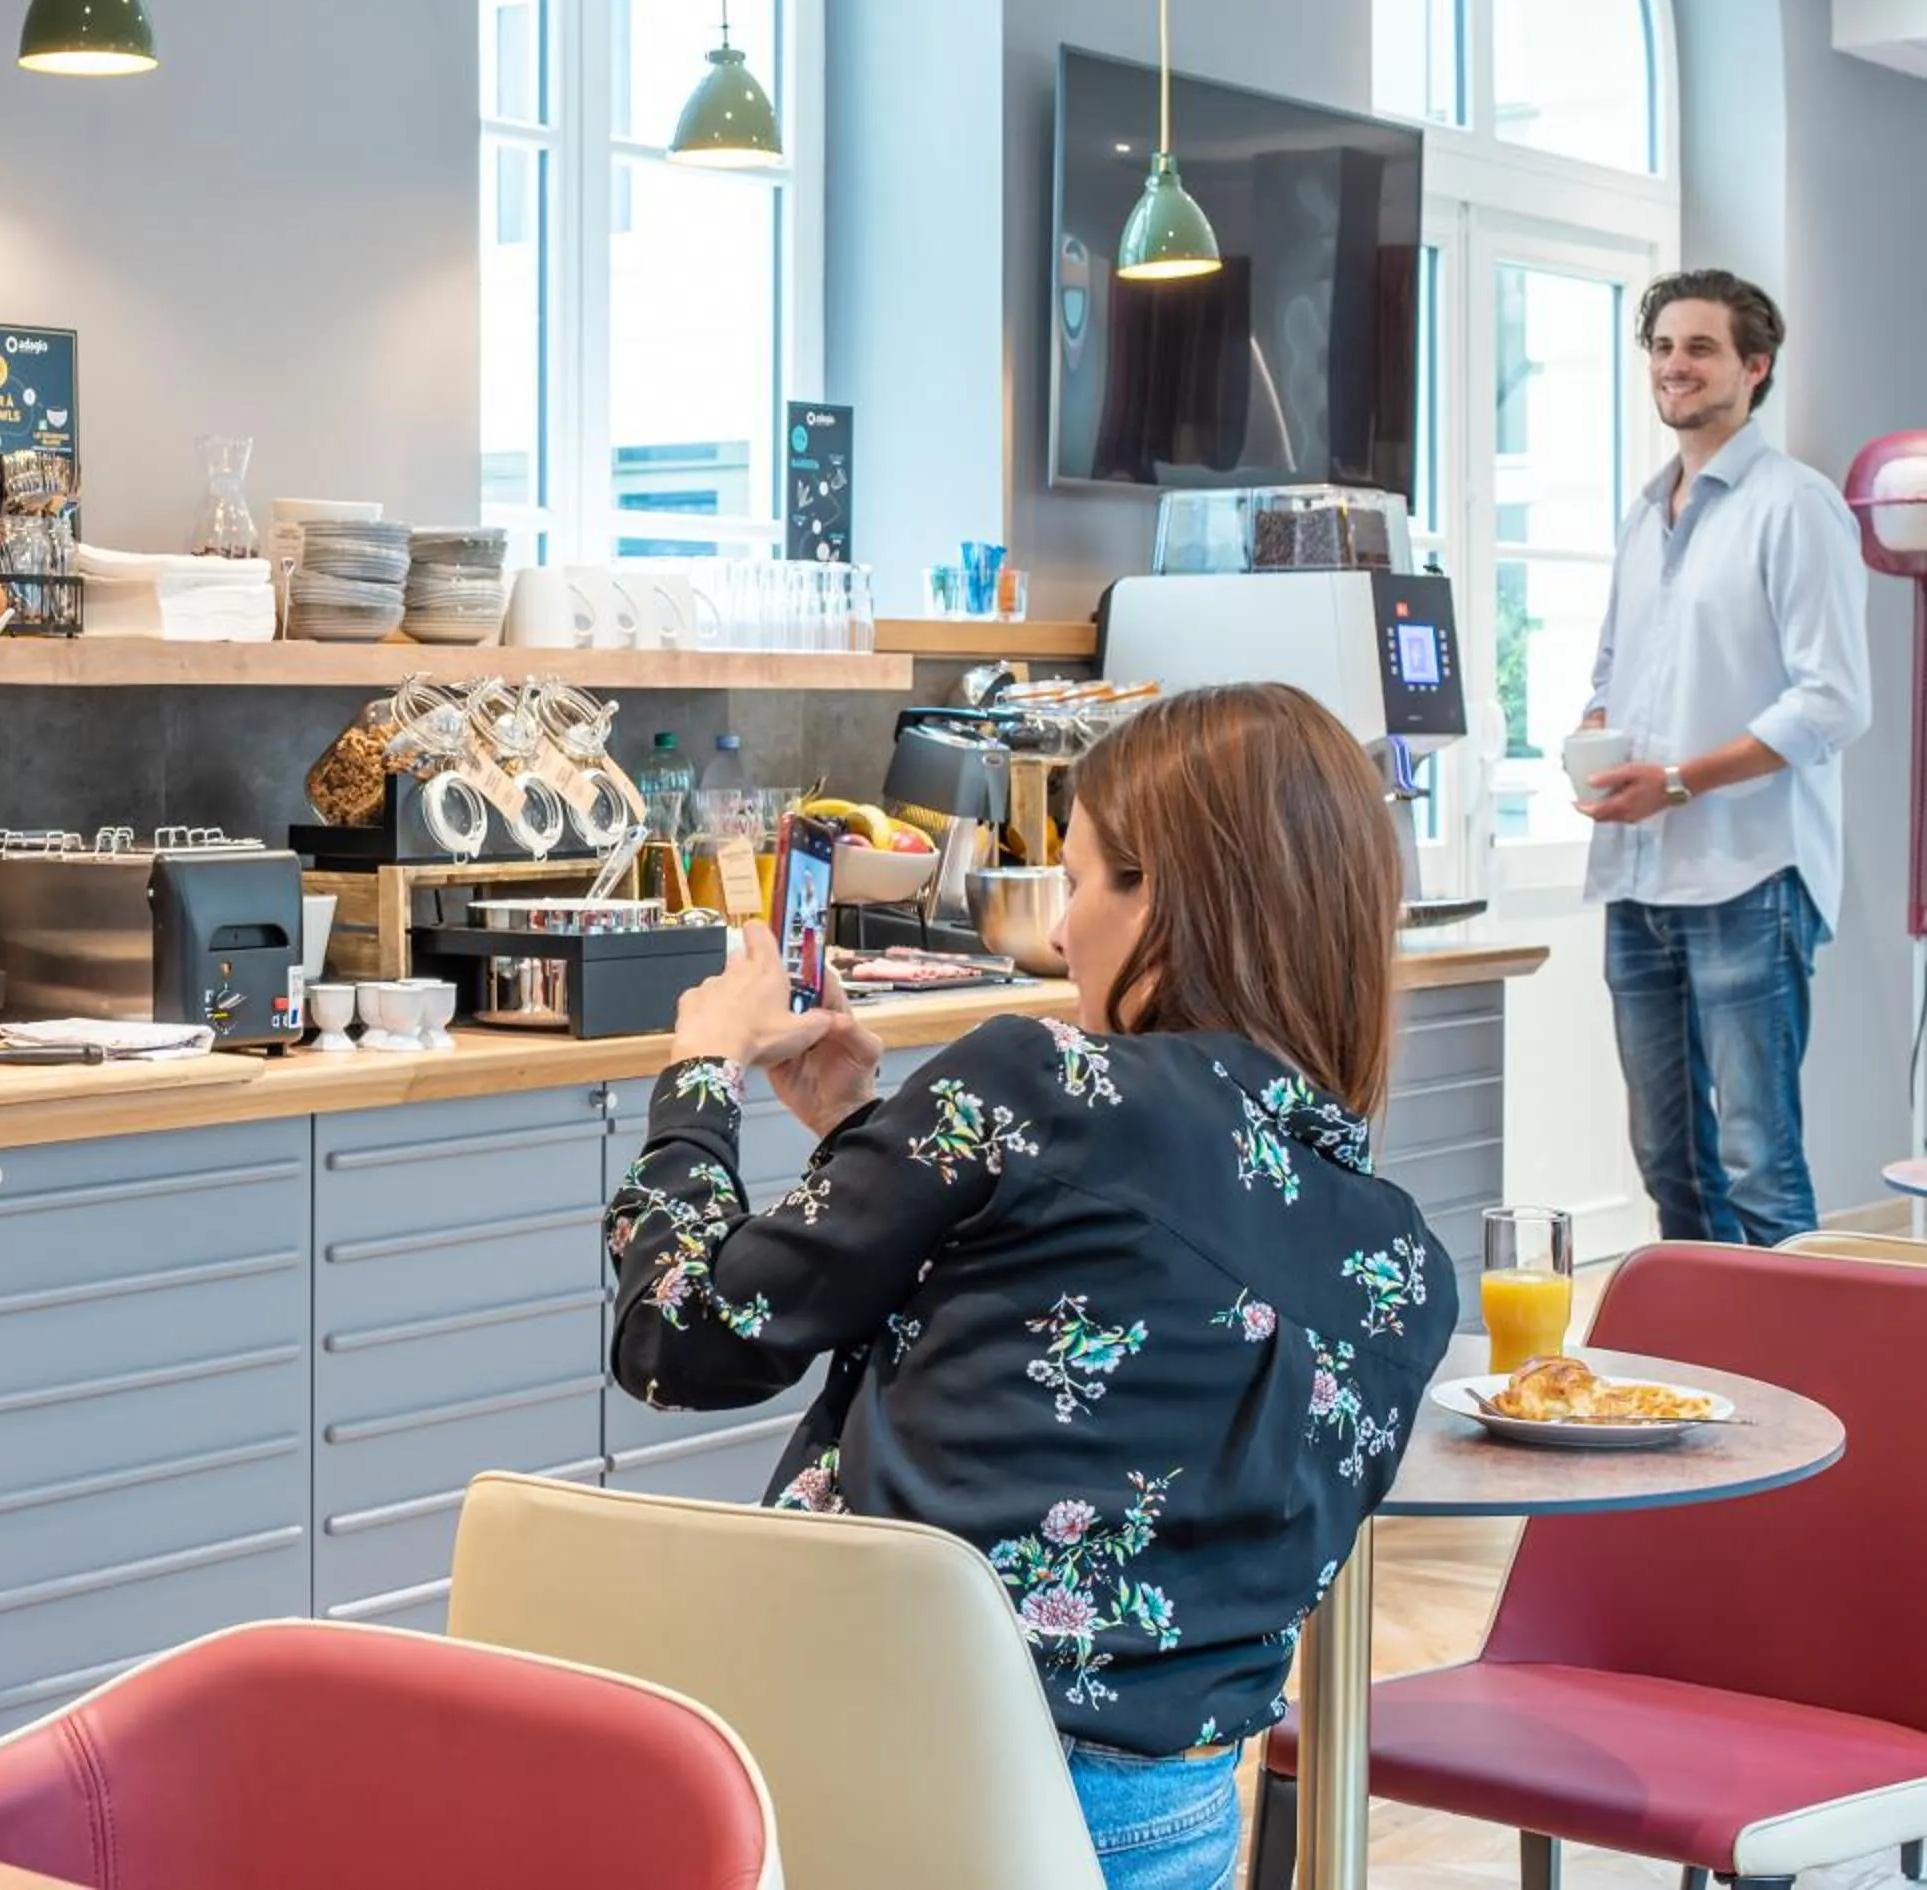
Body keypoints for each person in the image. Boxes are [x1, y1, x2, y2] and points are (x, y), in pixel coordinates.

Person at [606, 684, 1455, 1890]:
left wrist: (698, 1076)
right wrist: (864, 1132)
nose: (1059, 937)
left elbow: (677, 1339)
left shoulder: (1039, 1081)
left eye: (1074, 880)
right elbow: (1088, 1317)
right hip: (1171, 1828)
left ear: (1156, 894)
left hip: (897, 1785)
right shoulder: (1407, 1272)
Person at [1578, 270, 1870, 1246]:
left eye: (1699, 348)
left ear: (1755, 368)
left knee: (1757, 1161)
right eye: (1662, 347)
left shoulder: (1797, 506)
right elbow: (1616, 667)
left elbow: (1833, 702)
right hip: (1641, 880)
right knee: (1670, 1158)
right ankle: (1707, 1373)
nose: (1674, 366)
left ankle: (1805, 1386)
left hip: (1752, 876)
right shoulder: (1645, 510)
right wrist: (1599, 739)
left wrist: (1675, 782)